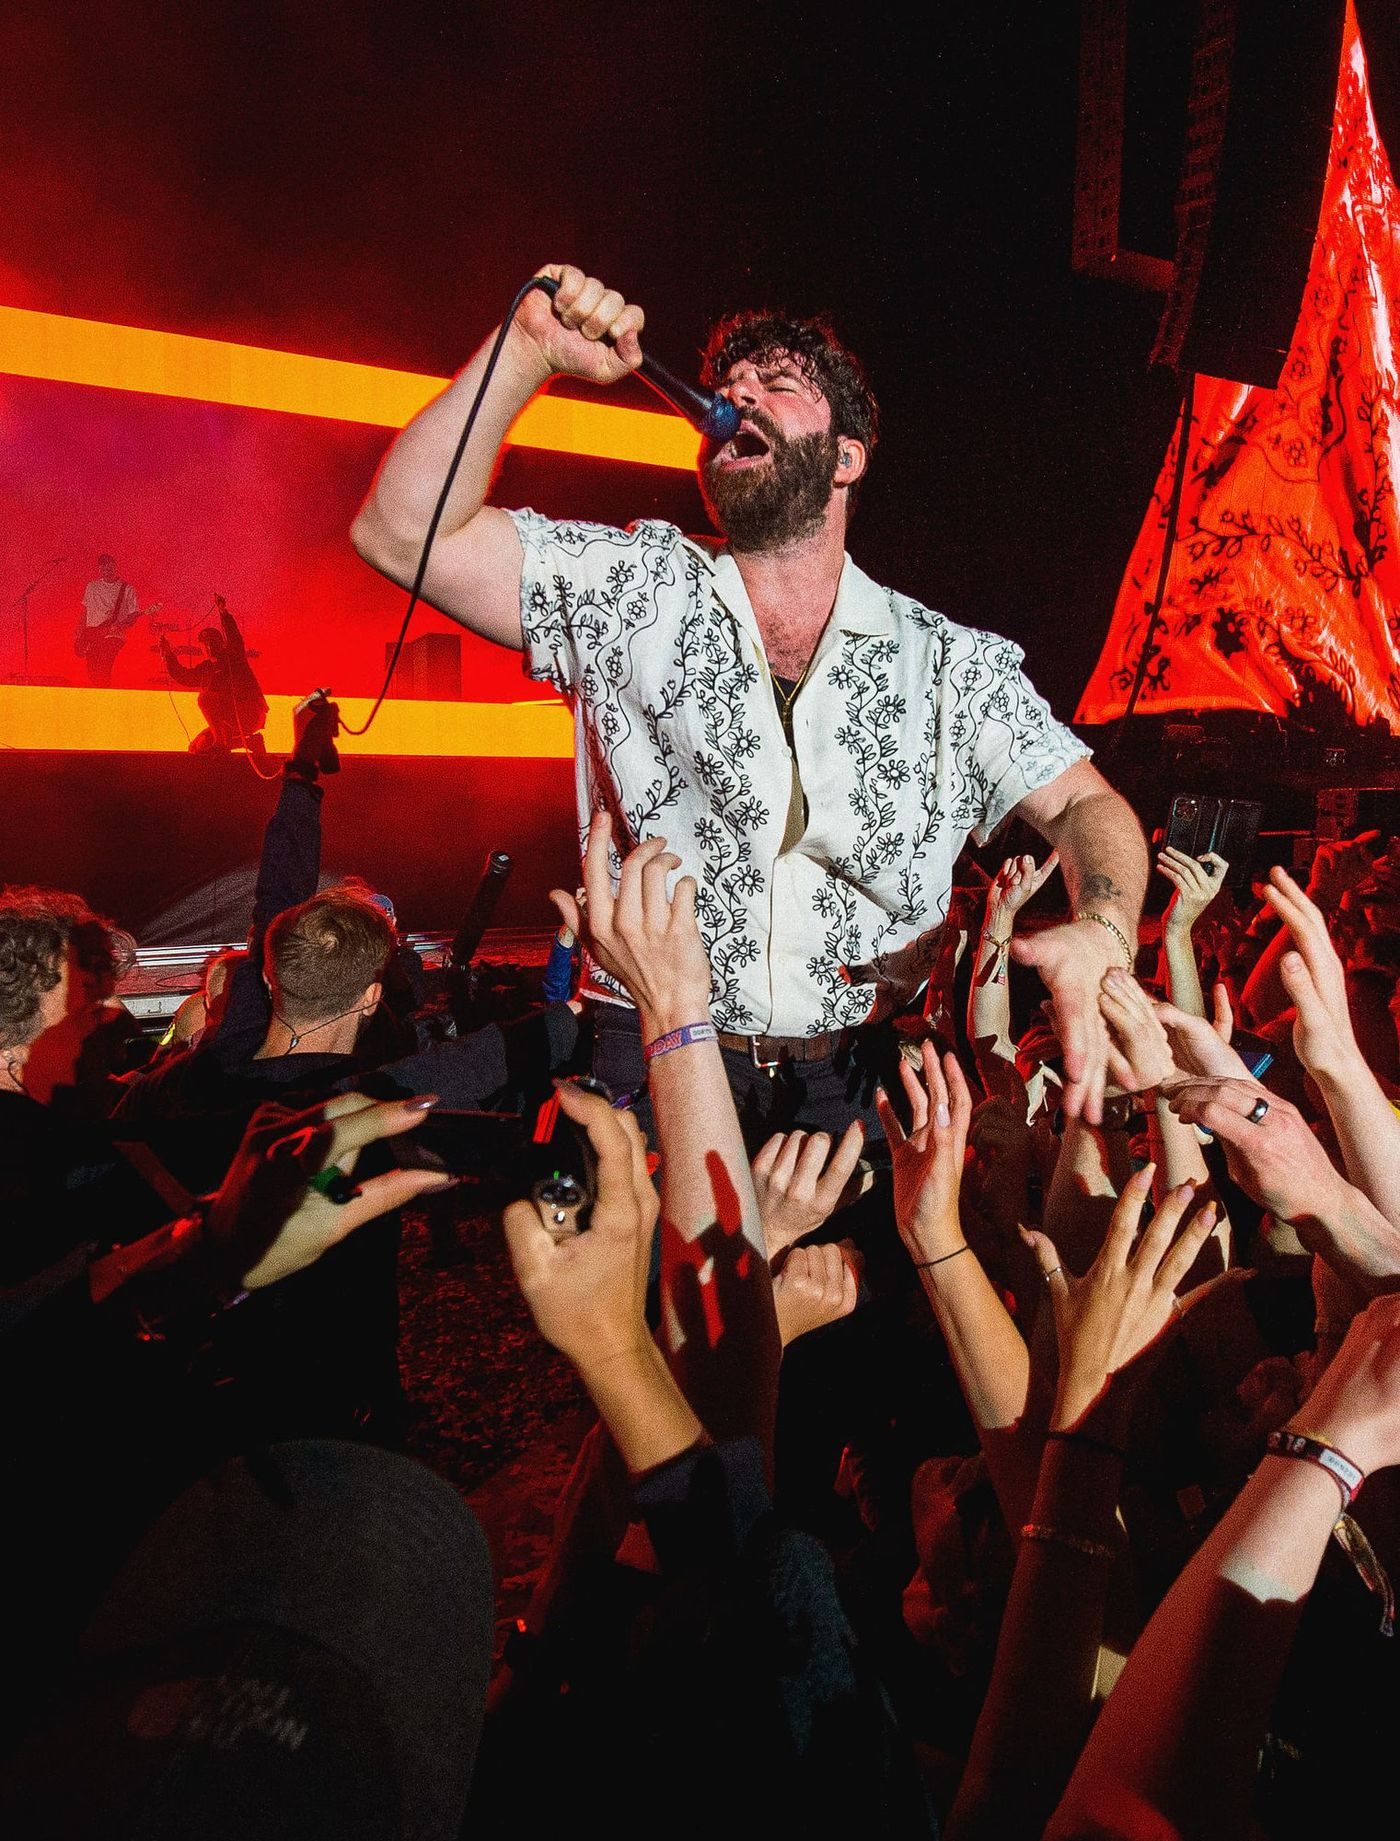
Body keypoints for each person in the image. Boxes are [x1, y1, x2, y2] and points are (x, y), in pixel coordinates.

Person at [352, 264, 1147, 1129]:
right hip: (653, 1048)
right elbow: (398, 532)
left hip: (860, 1081)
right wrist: (526, 352)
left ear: (846, 457)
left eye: (777, 384)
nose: (736, 396)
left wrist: (1104, 928)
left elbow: (1082, 802)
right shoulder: (630, 587)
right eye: (729, 384)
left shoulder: (947, 662)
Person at [159, 595, 269, 763]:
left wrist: (223, 613)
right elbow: (183, 676)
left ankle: (220, 743)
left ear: (222, 644)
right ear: (201, 647)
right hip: (230, 722)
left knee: (206, 698)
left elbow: (235, 638)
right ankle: (251, 742)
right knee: (197, 747)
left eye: (213, 642)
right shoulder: (205, 669)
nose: (209, 646)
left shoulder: (234, 658)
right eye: (205, 643)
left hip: (250, 712)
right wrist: (168, 654)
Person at [76, 554, 148, 687]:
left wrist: (122, 625)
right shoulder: (92, 586)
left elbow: (133, 616)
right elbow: (85, 611)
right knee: (92, 670)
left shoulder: (127, 588)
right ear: (99, 569)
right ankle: (99, 694)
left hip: (113, 635)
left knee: (104, 666)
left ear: (115, 566)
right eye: (103, 566)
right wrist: (80, 633)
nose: (107, 568)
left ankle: (105, 695)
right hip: (93, 634)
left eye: (109, 565)